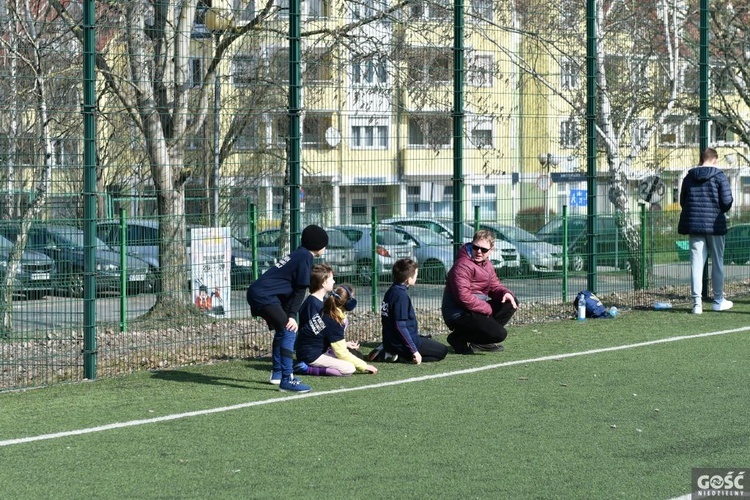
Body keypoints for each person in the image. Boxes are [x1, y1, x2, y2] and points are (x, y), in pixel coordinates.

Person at [246, 224, 328, 393]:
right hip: (264, 296)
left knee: (283, 330)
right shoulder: (305, 256)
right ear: (318, 244)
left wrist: (287, 313)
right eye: (324, 243)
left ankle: (278, 373)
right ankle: (287, 379)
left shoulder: (300, 253)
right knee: (288, 330)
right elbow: (300, 289)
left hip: (262, 294)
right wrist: (291, 315)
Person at [441, 229, 518, 354]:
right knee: (499, 334)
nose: (479, 252)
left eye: (484, 249)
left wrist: (505, 293)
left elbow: (494, 286)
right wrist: (487, 309)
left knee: (510, 302)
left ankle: (479, 342)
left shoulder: (486, 264)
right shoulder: (462, 265)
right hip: (458, 313)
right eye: (475, 247)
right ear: (471, 244)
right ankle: (457, 338)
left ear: (491, 250)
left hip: (474, 309)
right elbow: (463, 297)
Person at [678, 147, 734, 315]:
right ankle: (718, 300)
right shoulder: (719, 176)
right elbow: (726, 201)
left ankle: (697, 304)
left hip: (694, 225)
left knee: (696, 263)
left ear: (701, 159)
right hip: (714, 226)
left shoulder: (689, 177)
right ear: (715, 159)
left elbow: (683, 201)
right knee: (717, 261)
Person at [294, 266, 378, 376]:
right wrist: (364, 366)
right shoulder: (314, 305)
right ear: (323, 283)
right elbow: (317, 333)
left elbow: (323, 333)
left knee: (352, 357)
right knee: (349, 368)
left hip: (318, 348)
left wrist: (343, 343)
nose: (334, 281)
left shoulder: (326, 304)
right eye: (331, 278)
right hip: (311, 352)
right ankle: (305, 368)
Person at [377, 258, 448, 364]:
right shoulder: (401, 296)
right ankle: (399, 356)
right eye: (415, 275)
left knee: (429, 343)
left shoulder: (391, 291)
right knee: (442, 351)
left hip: (390, 341)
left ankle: (388, 350)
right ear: (408, 279)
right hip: (400, 344)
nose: (417, 277)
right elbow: (400, 326)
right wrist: (414, 350)